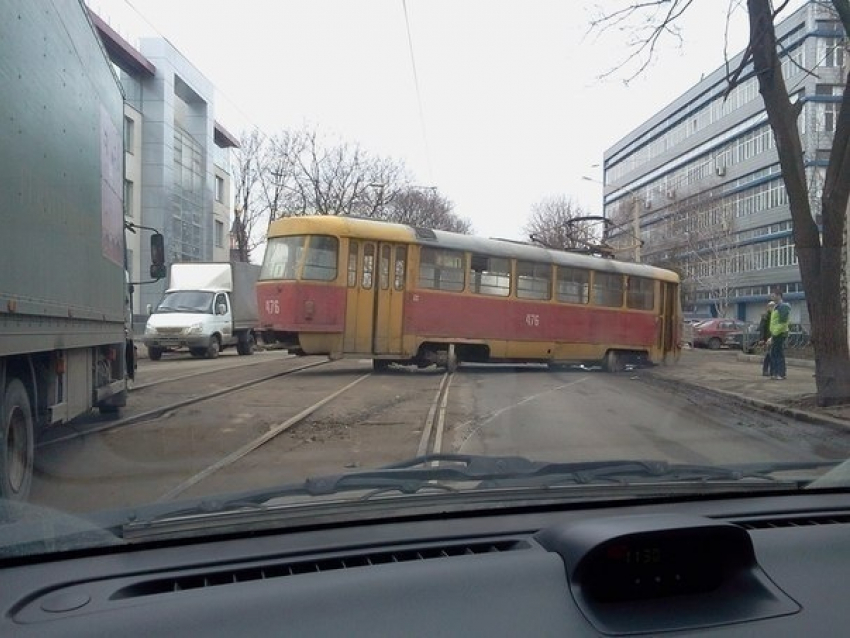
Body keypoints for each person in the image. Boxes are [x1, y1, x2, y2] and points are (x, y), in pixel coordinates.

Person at [769, 291, 791, 380]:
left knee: (778, 353)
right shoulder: (776, 307)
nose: (772, 297)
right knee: (774, 353)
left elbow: (783, 323)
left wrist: (774, 334)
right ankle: (775, 372)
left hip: (780, 333)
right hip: (776, 333)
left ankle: (781, 373)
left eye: (773, 296)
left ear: (779, 296)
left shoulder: (783, 307)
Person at [758, 301, 775, 377]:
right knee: (769, 354)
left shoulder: (775, 315)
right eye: (771, 306)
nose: (772, 308)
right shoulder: (765, 316)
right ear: (768, 307)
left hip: (774, 336)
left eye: (773, 306)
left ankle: (770, 370)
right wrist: (761, 339)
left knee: (771, 354)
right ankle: (766, 370)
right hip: (767, 338)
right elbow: (762, 327)